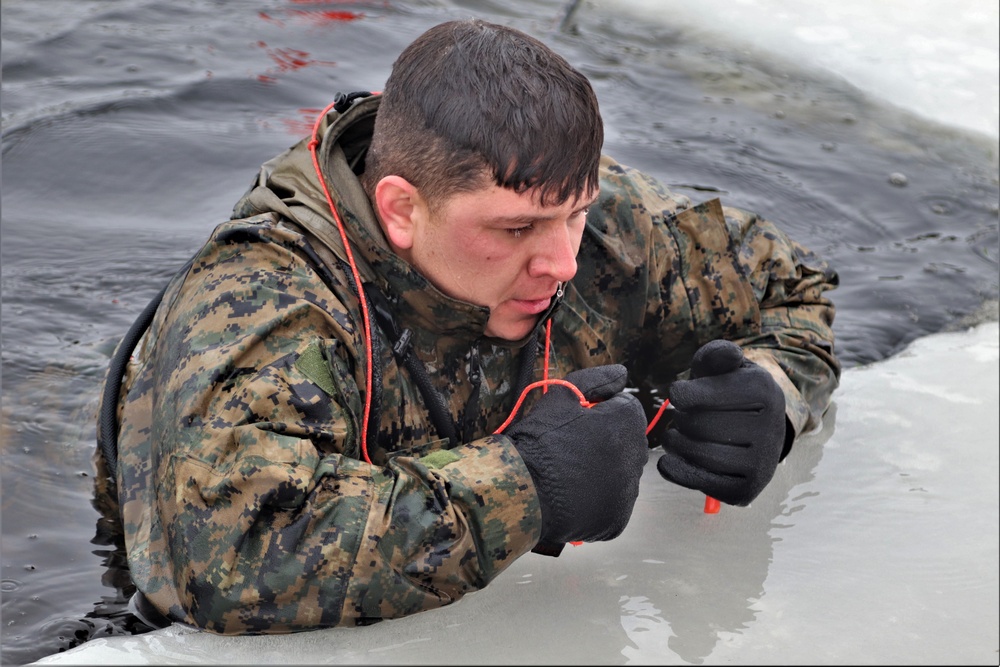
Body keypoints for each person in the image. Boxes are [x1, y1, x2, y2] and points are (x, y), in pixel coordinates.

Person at [95, 18, 840, 634]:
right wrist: (528, 485)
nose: (562, 261)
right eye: (516, 230)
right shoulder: (268, 300)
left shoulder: (603, 225)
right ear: (401, 209)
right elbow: (234, 558)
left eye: (573, 213)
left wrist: (769, 395)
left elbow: (795, 286)